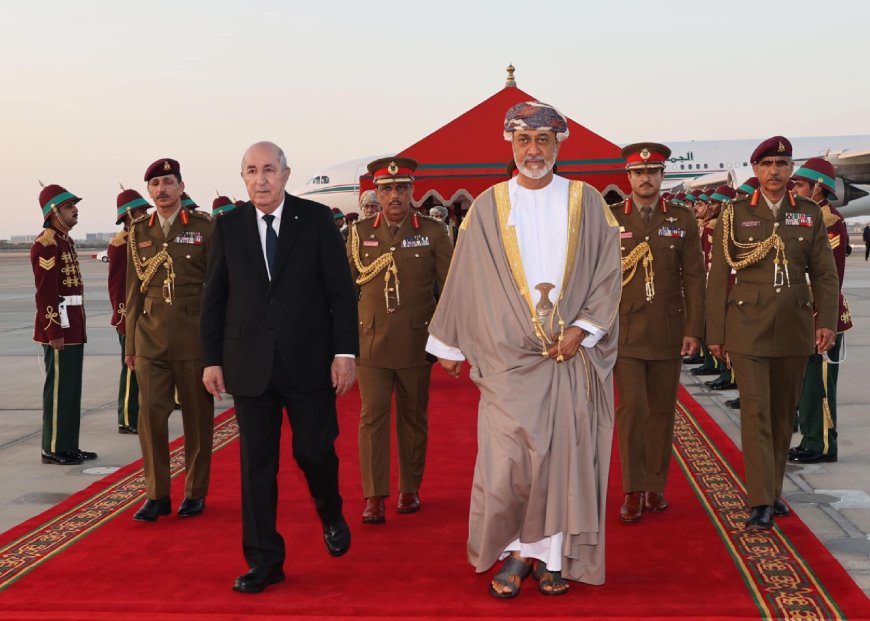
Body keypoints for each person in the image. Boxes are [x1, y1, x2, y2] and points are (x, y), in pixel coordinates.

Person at [427, 101, 621, 597]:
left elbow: (607, 273)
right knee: (508, 463)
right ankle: (516, 549)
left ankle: (549, 558)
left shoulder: (587, 201)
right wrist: (448, 344)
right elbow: (464, 279)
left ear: (559, 144)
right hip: (508, 361)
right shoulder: (489, 205)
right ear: (510, 144)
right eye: (523, 140)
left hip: (569, 356)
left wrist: (582, 329)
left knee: (562, 459)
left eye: (543, 140)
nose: (533, 150)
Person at [201, 141, 358, 594]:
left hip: (309, 363)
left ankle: (329, 509)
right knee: (256, 467)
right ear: (244, 177)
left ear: (286, 175)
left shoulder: (314, 220)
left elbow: (341, 293)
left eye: (269, 170)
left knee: (314, 452)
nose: (260, 179)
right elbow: (214, 299)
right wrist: (211, 358)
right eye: (251, 171)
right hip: (249, 366)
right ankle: (265, 560)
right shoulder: (228, 227)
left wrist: (344, 353)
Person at [706, 136, 839, 530]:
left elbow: (825, 273)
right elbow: (718, 278)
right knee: (756, 412)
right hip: (747, 327)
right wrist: (716, 332)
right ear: (756, 170)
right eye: (767, 164)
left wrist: (826, 321)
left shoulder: (810, 213)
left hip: (795, 327)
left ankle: (773, 489)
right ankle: (761, 500)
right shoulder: (733, 214)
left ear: (791, 169)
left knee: (783, 417)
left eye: (782, 163)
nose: (775, 171)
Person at [347, 156, 453, 524]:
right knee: (371, 418)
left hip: (415, 341)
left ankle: (410, 487)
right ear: (375, 192)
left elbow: (449, 289)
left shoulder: (434, 232)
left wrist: (446, 342)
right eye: (387, 188)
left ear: (412, 191)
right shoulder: (359, 233)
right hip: (371, 342)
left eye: (401, 188)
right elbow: (345, 291)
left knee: (413, 418)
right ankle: (374, 495)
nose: (395, 195)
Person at [611, 143, 705, 523]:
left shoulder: (681, 219)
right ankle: (632, 490)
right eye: (638, 173)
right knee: (632, 410)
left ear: (662, 176)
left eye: (652, 172)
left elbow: (695, 279)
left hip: (668, 330)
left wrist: (693, 329)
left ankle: (654, 487)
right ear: (628, 178)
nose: (645, 178)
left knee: (662, 412)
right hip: (627, 331)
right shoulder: (611, 218)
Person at [125, 158, 215, 522]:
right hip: (150, 337)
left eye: (167, 183)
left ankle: (194, 491)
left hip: (193, 337)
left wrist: (217, 346)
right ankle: (157, 493)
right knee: (150, 417)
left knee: (197, 417)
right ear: (149, 192)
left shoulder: (204, 227)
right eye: (155, 185)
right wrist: (130, 344)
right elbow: (132, 291)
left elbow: (219, 289)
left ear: (181, 187)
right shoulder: (138, 232)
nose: (161, 190)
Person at [789, 158, 852, 464]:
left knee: (821, 384)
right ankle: (811, 438)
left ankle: (824, 444)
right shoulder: (805, 218)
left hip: (822, 317)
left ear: (818, 188)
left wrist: (817, 317)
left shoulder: (831, 222)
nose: (795, 189)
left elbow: (829, 276)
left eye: (800, 184)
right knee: (807, 384)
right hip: (802, 315)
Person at [31, 184, 96, 465]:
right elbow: (45, 292)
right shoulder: (46, 244)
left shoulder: (65, 241)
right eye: (70, 207)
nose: (75, 210)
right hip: (59, 329)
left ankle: (68, 444)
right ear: (54, 212)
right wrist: (53, 331)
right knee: (58, 390)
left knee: (71, 389)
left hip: (73, 326)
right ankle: (53, 447)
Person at [108, 188, 150, 434]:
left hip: (144, 314)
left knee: (143, 368)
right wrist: (124, 318)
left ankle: (137, 413)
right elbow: (117, 285)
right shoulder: (119, 244)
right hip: (128, 316)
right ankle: (126, 418)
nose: (145, 215)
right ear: (129, 214)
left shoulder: (142, 239)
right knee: (131, 368)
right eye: (141, 211)